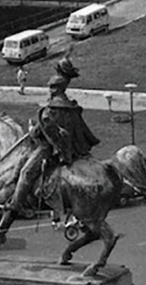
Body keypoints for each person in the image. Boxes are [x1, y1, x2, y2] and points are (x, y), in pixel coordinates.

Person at [11, 56, 100, 212]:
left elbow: (44, 130)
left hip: (49, 148)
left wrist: (32, 130)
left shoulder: (53, 109)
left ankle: (15, 205)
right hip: (73, 146)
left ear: (57, 88)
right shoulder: (69, 106)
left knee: (26, 172)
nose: (49, 90)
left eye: (51, 87)